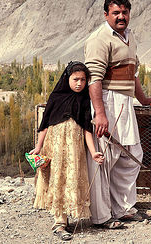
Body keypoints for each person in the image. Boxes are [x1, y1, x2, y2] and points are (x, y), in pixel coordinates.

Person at [84, 0, 151, 229]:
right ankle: (102, 216)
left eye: (124, 12)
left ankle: (124, 209)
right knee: (104, 158)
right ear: (106, 14)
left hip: (125, 102)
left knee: (131, 157)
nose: (121, 17)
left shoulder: (129, 36)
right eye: (115, 12)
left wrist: (144, 99)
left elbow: (132, 73)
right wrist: (100, 113)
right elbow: (93, 78)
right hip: (107, 101)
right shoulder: (99, 39)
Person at [30, 61, 104, 240]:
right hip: (54, 146)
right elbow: (45, 125)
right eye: (76, 79)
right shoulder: (56, 97)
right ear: (67, 78)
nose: (79, 83)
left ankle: (66, 218)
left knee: (70, 179)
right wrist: (38, 147)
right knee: (57, 179)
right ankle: (59, 223)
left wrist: (93, 152)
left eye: (83, 80)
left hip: (74, 150)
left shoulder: (85, 100)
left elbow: (87, 129)